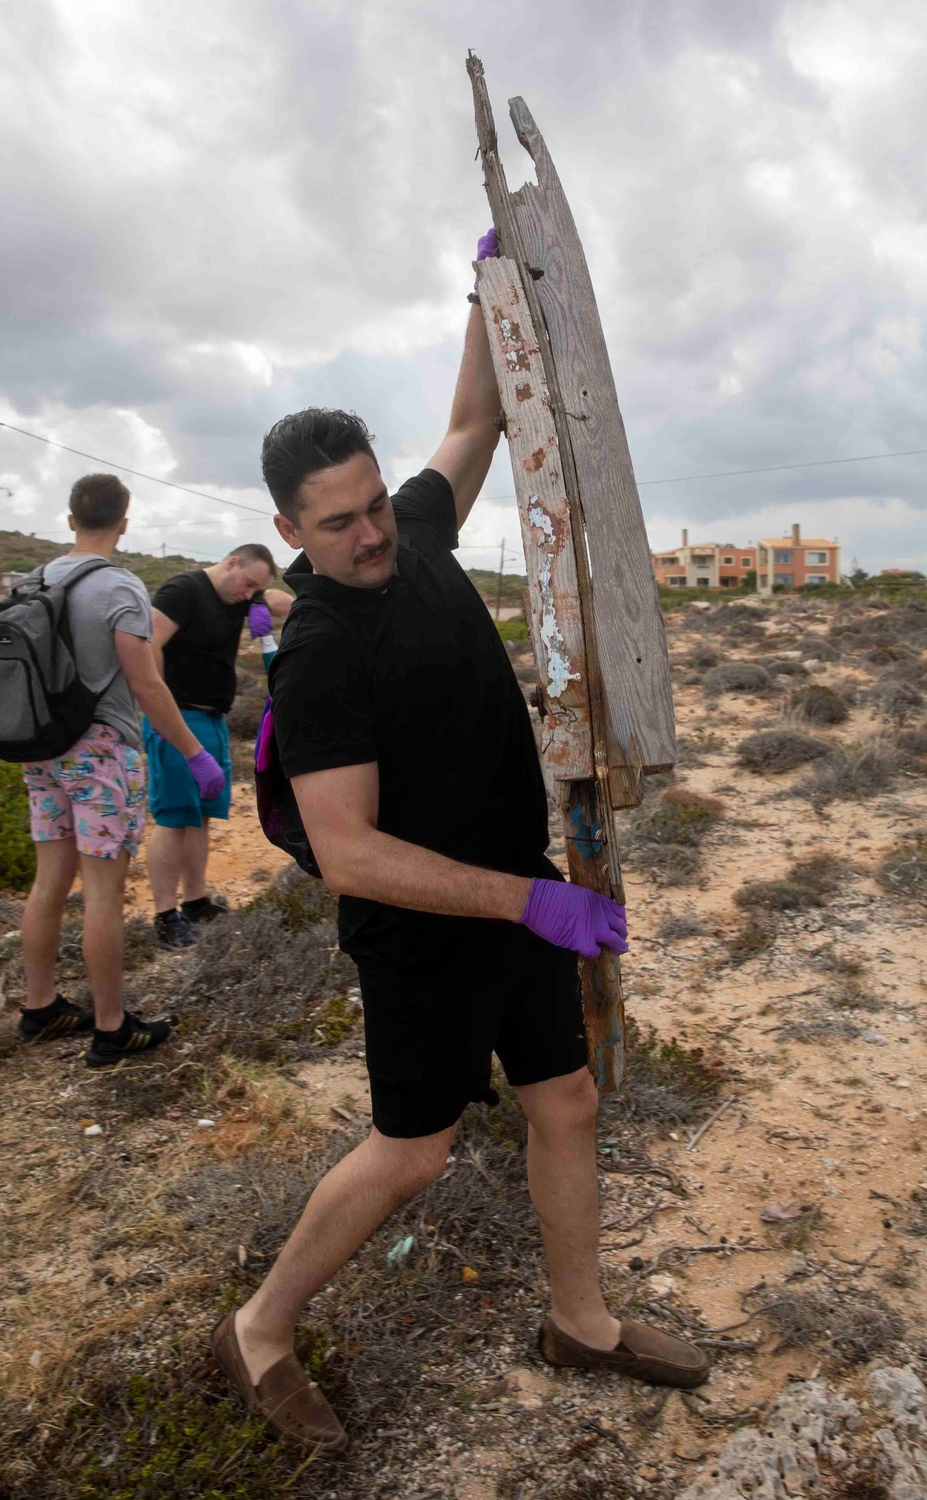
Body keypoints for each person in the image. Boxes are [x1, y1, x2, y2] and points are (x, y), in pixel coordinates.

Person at [209, 234, 709, 1451]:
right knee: (415, 1151)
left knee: (568, 1100)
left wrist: (484, 290)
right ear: (288, 527)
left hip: (515, 899)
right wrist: (526, 904)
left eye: (376, 503)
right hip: (425, 933)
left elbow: (478, 423)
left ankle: (578, 1323)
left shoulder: (416, 529)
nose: (374, 534)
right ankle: (260, 1327)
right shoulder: (323, 647)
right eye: (339, 523)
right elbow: (350, 853)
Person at [18, 474, 225, 1067]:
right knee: (103, 893)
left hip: (41, 750)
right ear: (125, 522)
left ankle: (40, 1007)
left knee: (49, 881)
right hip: (102, 753)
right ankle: (110, 1027)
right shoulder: (119, 587)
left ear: (70, 519)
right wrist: (194, 752)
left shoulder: (36, 578)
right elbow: (145, 683)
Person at [144, 546, 292, 947]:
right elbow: (148, 644)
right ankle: (163, 916)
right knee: (173, 817)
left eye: (255, 588)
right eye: (248, 583)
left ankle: (195, 903)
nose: (247, 594)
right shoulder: (184, 590)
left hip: (213, 719)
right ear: (231, 563)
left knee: (201, 815)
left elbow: (286, 603)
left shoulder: (239, 596)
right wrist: (159, 709)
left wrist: (261, 599)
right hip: (176, 717)